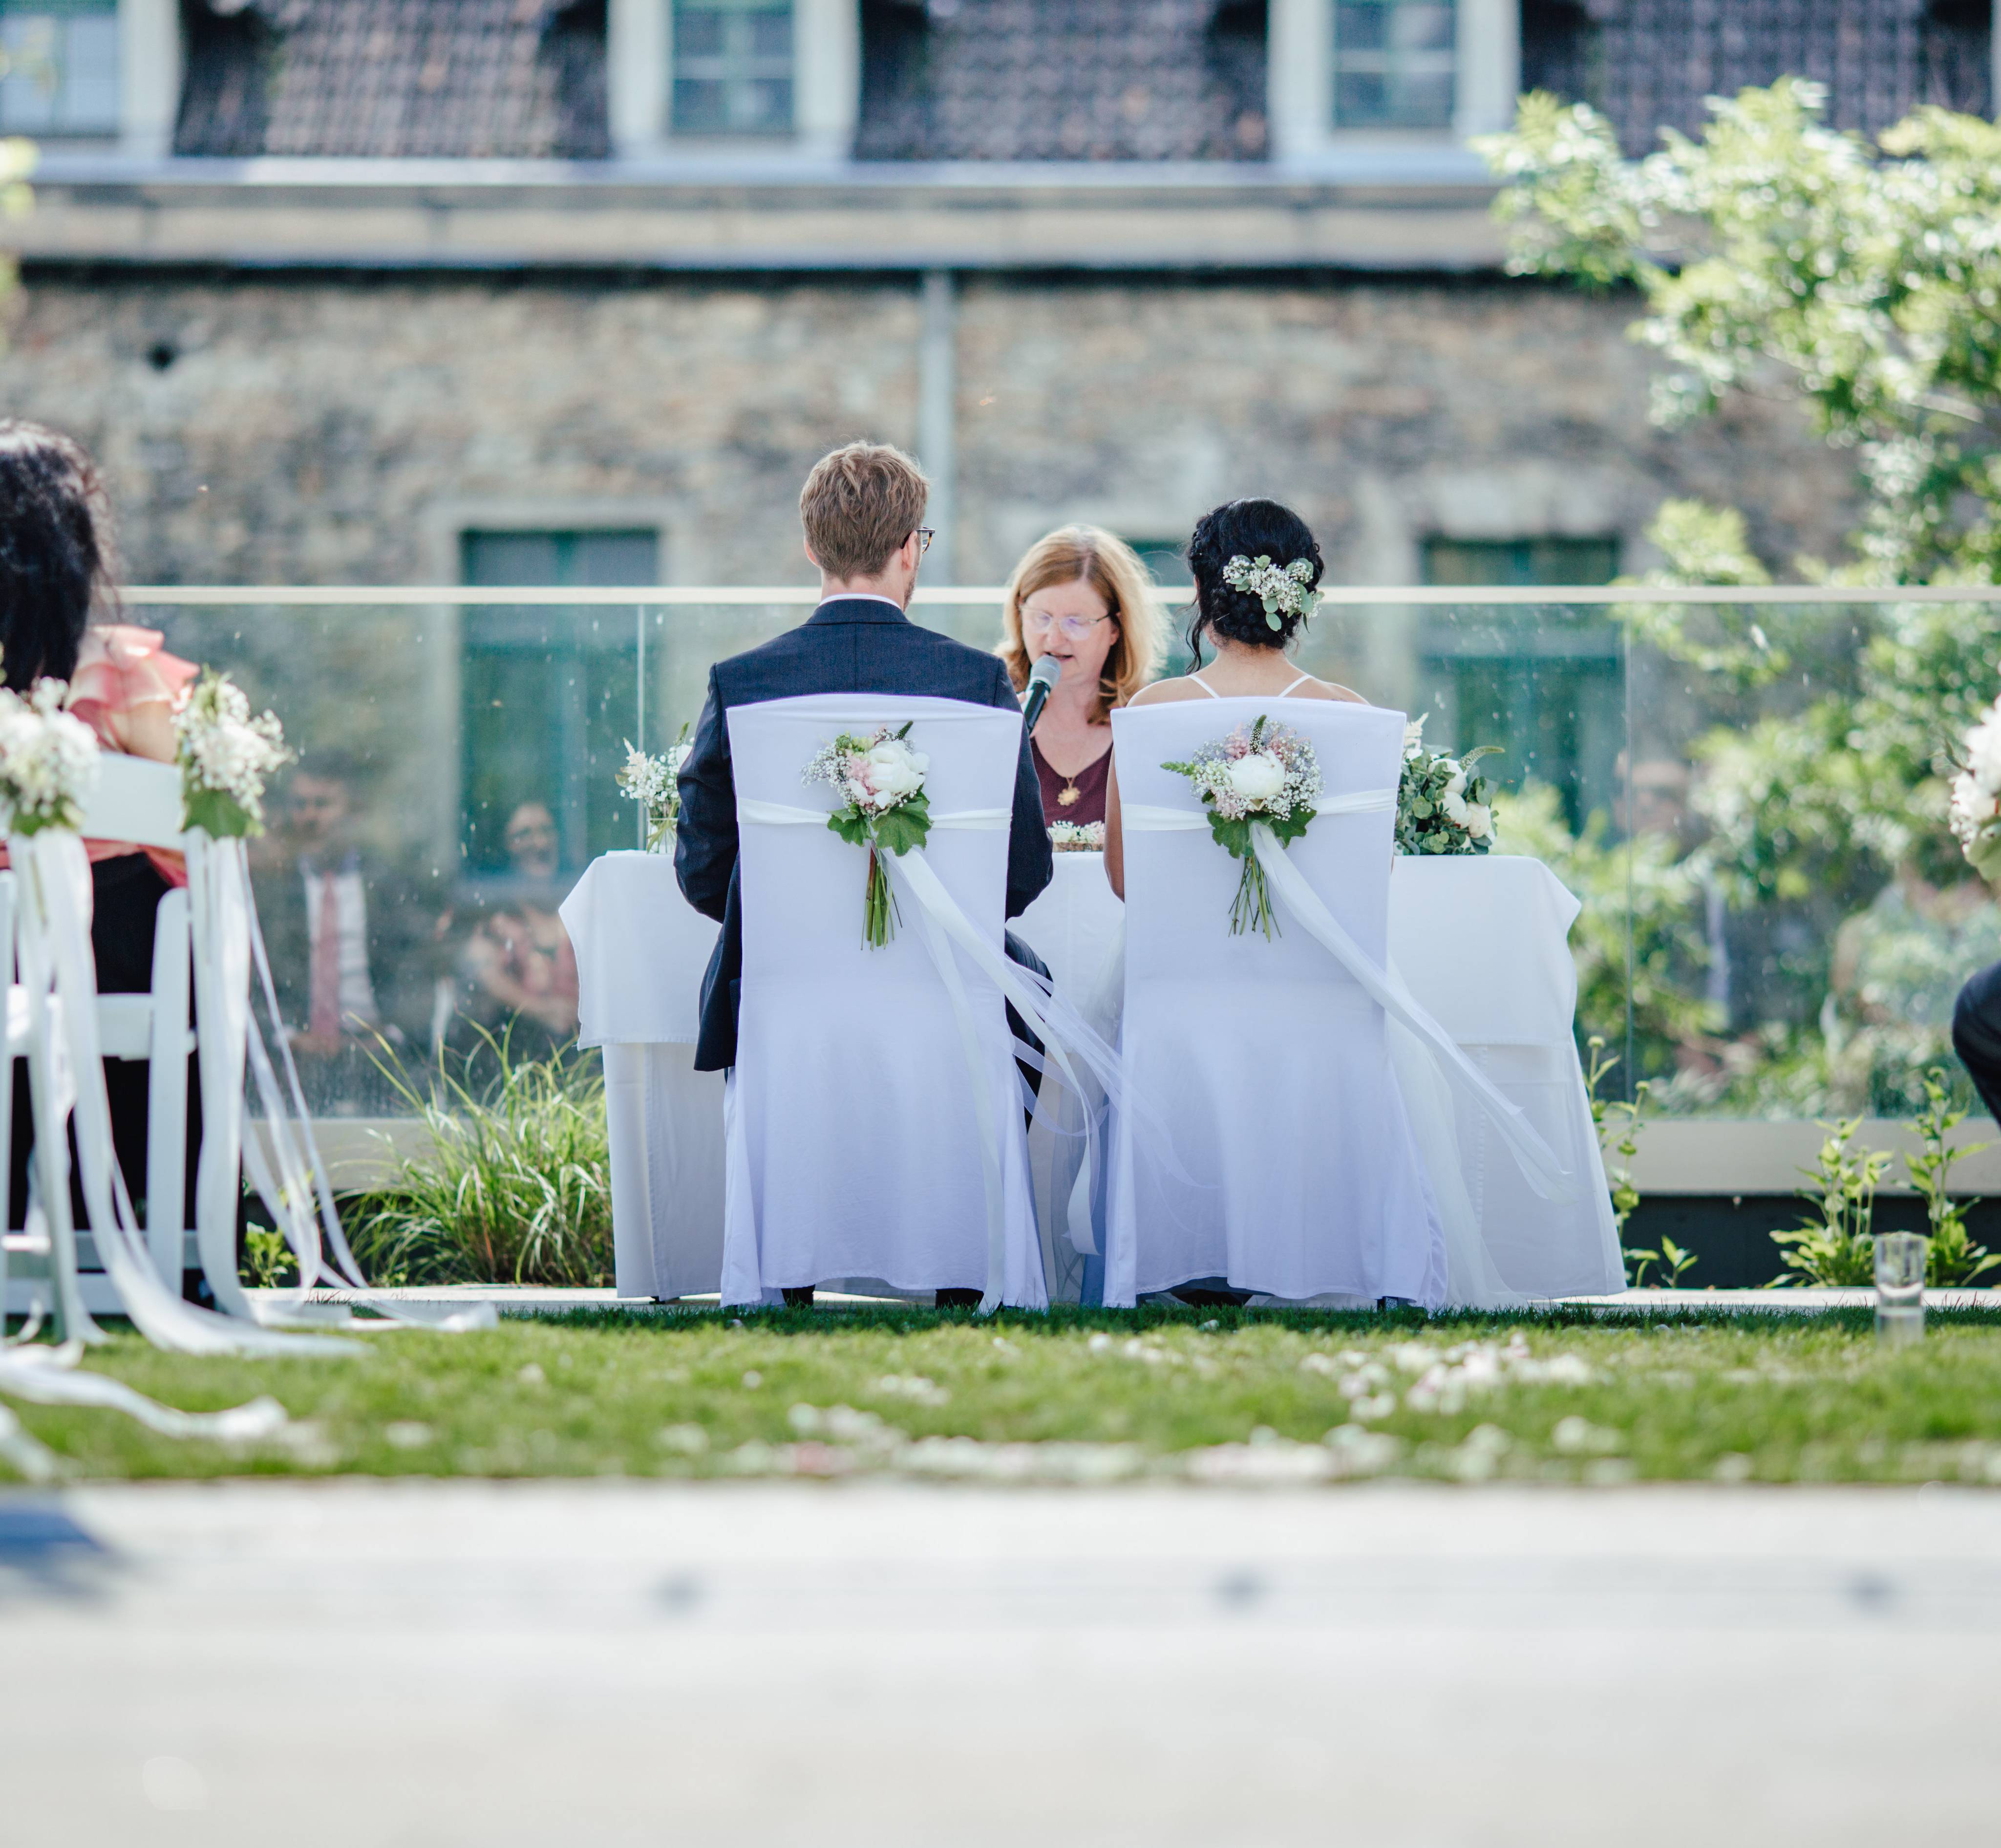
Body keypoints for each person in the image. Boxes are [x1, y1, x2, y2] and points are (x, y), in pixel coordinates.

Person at [675, 440, 1054, 1307]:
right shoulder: (976, 683)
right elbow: (1024, 871)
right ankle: (965, 1273)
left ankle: (792, 1279)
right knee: (1031, 982)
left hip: (785, 1003)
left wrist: (794, 922)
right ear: (912, 547)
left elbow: (700, 870)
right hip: (945, 999)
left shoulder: (744, 683)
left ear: (811, 548)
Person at [0, 420, 200, 1246]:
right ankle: (170, 1222)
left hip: (12, 954)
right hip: (126, 955)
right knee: (168, 915)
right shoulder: (122, 672)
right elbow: (194, 828)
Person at [1104, 497, 1364, 899]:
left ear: (1201, 591)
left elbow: (1123, 880)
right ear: (1299, 597)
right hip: (1312, 959)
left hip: (1183, 952)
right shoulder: (1352, 713)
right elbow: (1373, 871)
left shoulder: (1149, 711)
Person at [254, 755, 442, 1111]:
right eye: (301, 805)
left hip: (382, 1056)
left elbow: (419, 969)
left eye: (323, 805)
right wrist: (289, 1035)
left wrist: (389, 1032)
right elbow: (251, 981)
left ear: (354, 813)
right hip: (294, 1059)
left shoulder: (390, 886)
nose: (310, 817)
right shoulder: (273, 889)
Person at [998, 526, 1163, 828]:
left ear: (1116, 627)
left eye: (1076, 622)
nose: (1054, 638)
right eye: (1041, 617)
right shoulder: (993, 707)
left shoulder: (1147, 722)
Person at [456, 799, 580, 1053]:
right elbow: (479, 971)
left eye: (546, 831)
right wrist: (541, 1011)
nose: (540, 843)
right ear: (506, 846)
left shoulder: (579, 904)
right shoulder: (496, 915)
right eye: (524, 834)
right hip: (518, 1063)